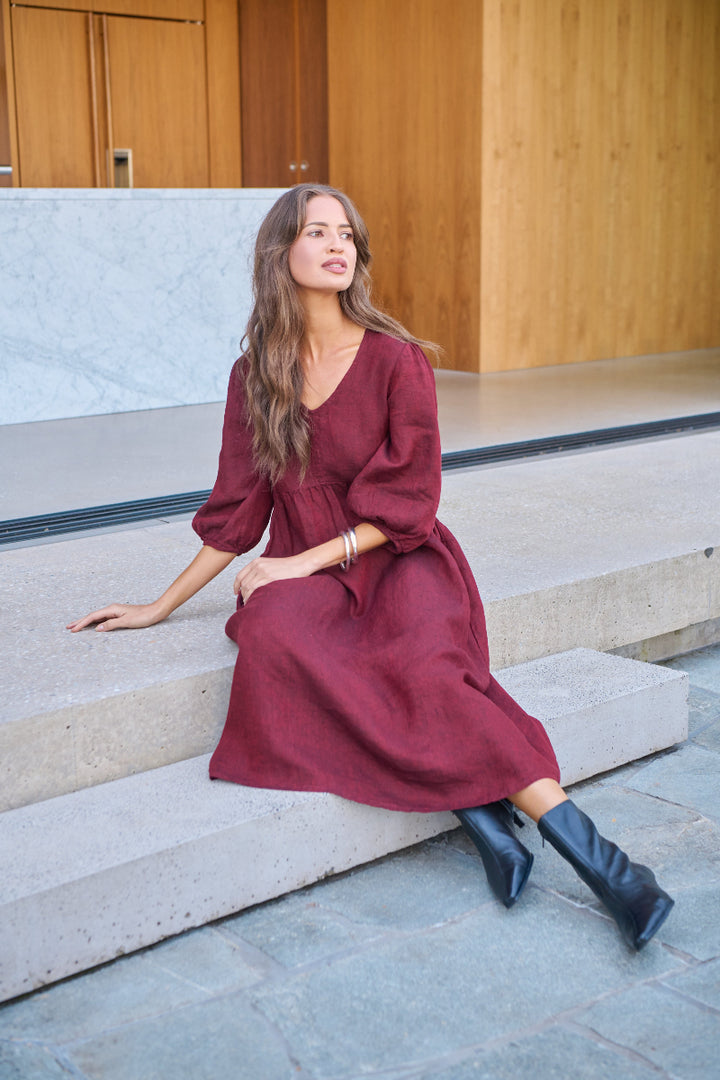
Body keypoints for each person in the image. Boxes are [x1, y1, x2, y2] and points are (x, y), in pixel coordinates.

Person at [68, 184, 673, 950]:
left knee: (425, 675)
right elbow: (237, 510)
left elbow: (409, 504)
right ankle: (486, 822)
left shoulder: (397, 361)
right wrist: (159, 605)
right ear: (280, 252)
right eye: (317, 232)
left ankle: (616, 875)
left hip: (401, 558)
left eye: (346, 235)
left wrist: (300, 563)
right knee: (274, 632)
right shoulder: (255, 375)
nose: (336, 246)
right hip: (310, 570)